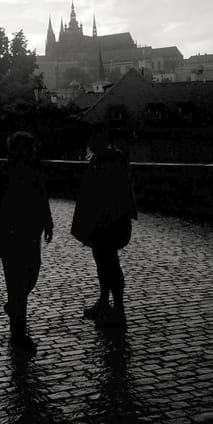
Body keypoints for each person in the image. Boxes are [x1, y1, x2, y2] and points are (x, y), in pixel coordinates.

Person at [0, 131, 54, 354]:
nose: (33, 151)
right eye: (29, 147)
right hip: (11, 233)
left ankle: (14, 307)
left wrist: (48, 222)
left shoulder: (34, 170)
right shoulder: (5, 172)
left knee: (31, 275)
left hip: (30, 231)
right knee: (15, 281)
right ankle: (18, 333)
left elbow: (42, 197)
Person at [71, 126, 136, 328]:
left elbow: (113, 195)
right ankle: (106, 303)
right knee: (104, 263)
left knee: (110, 264)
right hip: (102, 222)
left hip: (108, 222)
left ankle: (116, 307)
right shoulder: (103, 160)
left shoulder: (110, 161)